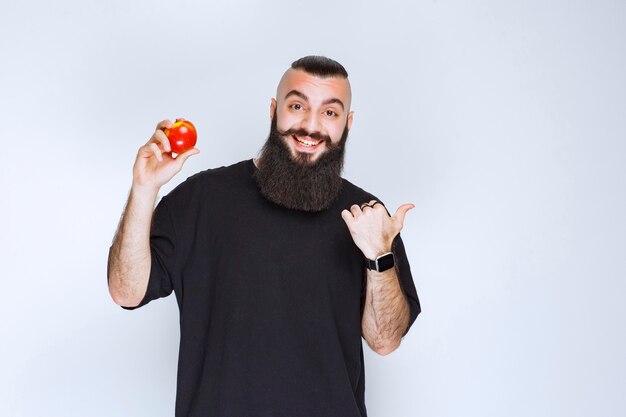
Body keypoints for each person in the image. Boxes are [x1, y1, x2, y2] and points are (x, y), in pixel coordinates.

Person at [107, 55, 421, 417]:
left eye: (330, 113)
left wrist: (379, 256)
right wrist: (144, 188)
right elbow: (125, 291)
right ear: (274, 110)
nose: (310, 125)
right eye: (297, 106)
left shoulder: (369, 217)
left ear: (347, 125)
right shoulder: (202, 199)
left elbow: (384, 341)